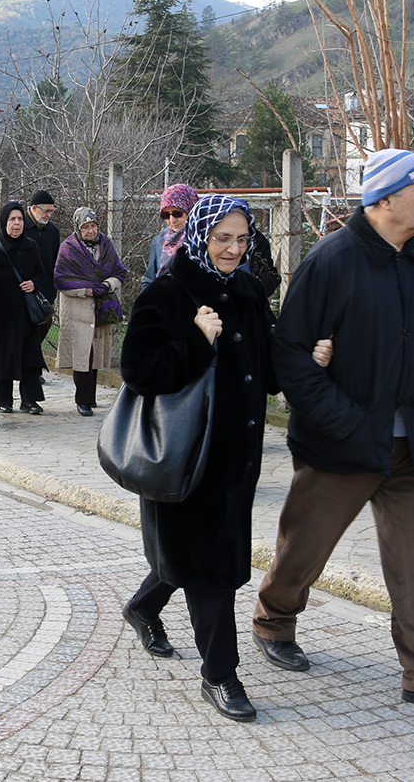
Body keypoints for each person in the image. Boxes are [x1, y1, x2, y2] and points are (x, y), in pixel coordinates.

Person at [252, 149, 414, 720]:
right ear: (385, 199)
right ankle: (274, 617)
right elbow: (290, 353)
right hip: (342, 444)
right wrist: (343, 420)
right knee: (303, 548)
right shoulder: (331, 260)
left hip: (413, 446)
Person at [119, 195, 278, 722]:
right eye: (222, 238)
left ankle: (143, 607)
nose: (233, 248)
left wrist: (309, 361)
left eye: (242, 238)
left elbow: (263, 369)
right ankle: (220, 674)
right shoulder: (169, 291)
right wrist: (195, 339)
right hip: (187, 456)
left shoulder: (249, 289)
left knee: (197, 553)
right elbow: (139, 370)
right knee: (212, 569)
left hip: (237, 457)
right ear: (200, 235)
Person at [53, 207, 127, 416]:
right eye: (86, 227)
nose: (90, 231)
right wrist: (84, 290)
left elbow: (120, 271)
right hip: (78, 308)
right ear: (78, 228)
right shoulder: (69, 248)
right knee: (81, 354)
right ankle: (82, 400)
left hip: (100, 307)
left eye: (93, 226)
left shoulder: (106, 244)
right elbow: (60, 279)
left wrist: (108, 284)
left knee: (94, 355)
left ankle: (91, 397)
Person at [0, 201, 47, 414]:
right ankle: (3, 400)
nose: (16, 224)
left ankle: (30, 400)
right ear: (4, 222)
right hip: (0, 314)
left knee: (29, 358)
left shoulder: (31, 246)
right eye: (12, 219)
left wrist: (34, 283)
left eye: (20, 219)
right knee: (1, 357)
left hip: (25, 313)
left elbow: (43, 274)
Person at [141, 183, 198, 288]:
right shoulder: (159, 240)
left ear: (191, 210)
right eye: (166, 215)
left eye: (177, 214)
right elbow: (149, 279)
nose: (172, 220)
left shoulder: (201, 239)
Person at [23, 190, 61, 345]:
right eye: (45, 211)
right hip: (23, 294)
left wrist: (51, 293)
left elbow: (54, 263)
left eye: (51, 211)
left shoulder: (52, 231)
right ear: (33, 208)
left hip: (45, 295)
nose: (48, 215)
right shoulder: (20, 227)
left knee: (38, 337)